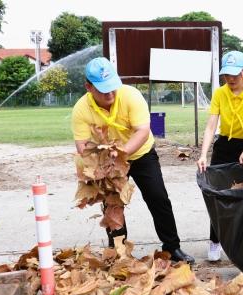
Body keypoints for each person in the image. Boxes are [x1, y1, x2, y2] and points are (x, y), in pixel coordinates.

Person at [71, 57, 194, 264]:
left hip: (141, 154)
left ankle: (172, 248)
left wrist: (121, 154)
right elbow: (82, 145)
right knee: (112, 206)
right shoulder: (81, 109)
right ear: (88, 87)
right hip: (107, 162)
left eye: (112, 87)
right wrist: (95, 167)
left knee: (158, 198)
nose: (110, 93)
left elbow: (143, 131)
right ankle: (119, 253)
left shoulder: (131, 96)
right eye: (103, 89)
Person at [196, 51, 243, 261]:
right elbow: (211, 126)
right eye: (226, 74)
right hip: (224, 145)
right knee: (218, 195)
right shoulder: (220, 93)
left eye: (235, 74)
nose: (231, 78)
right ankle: (215, 241)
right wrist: (203, 155)